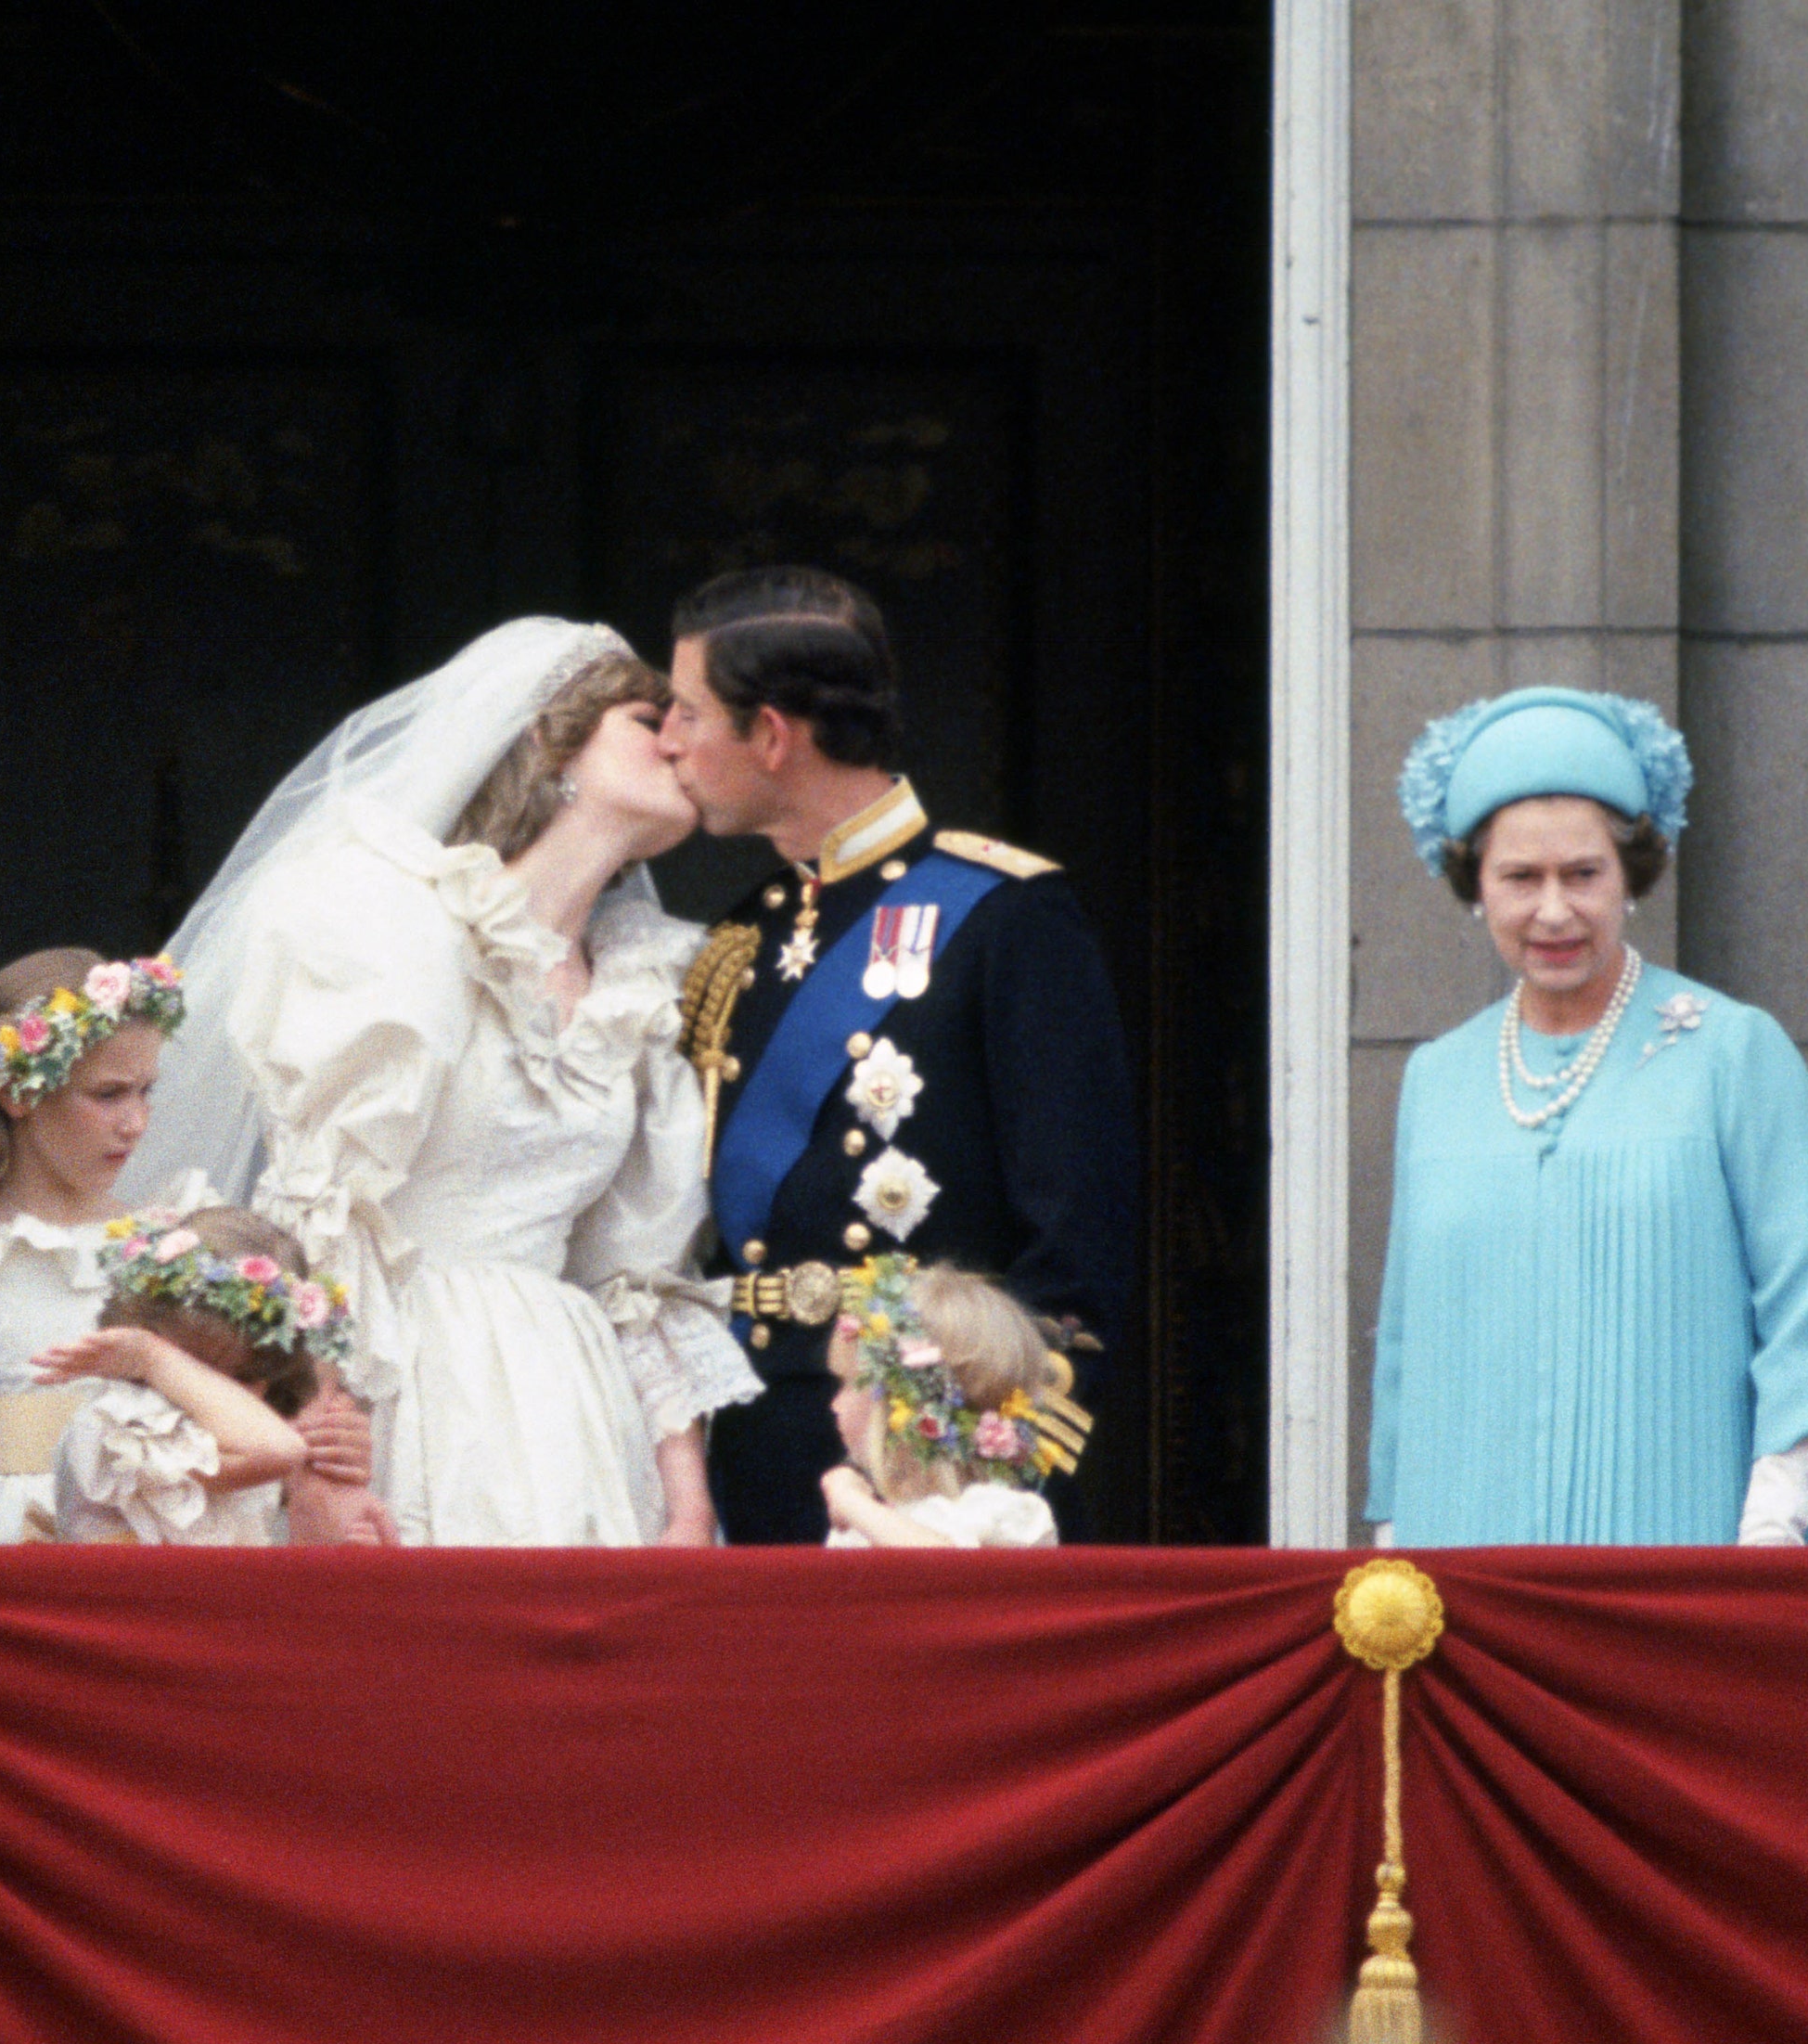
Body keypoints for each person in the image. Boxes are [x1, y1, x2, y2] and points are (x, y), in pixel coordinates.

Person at [131, 618, 757, 1546]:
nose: (680, 740)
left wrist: (688, 1500)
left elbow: (635, 1273)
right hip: (404, 1380)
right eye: (646, 716)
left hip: (572, 1404)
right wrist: (323, 1444)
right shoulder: (396, 922)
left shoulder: (647, 981)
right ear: (548, 740)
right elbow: (324, 1206)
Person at [659, 567, 1136, 1545]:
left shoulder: (1003, 915)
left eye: (688, 710)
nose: (669, 739)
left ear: (773, 735)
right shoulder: (742, 938)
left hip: (940, 1470)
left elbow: (1077, 1240)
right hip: (759, 1452)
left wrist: (980, 1464)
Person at [1366, 686, 1808, 1546]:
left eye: (1583, 874)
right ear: (1473, 884)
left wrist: (1774, 1518)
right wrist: (1397, 1538)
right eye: (1520, 877)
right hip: (1468, 1547)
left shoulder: (1734, 1051)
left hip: (1687, 1542)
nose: (1554, 911)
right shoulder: (1436, 1078)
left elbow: (1804, 1305)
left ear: (1632, 874)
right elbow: (1407, 1343)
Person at [0, 947, 380, 1543]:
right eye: (109, 1094)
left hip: (152, 1536)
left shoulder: (181, 1241)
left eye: (147, 1092)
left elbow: (251, 1403)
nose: (137, 1122)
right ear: (17, 1093)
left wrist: (314, 1431)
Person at [45, 1208, 324, 1546]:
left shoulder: (245, 1434)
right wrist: (151, 1358)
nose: (230, 1397)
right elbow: (280, 1451)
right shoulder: (127, 1429)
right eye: (200, 1372)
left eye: (248, 1377)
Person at [817, 1257, 1085, 1549]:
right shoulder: (867, 1520)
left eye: (847, 1384)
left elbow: (944, 1569)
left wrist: (852, 1501)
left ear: (906, 1404)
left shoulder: (1005, 1512)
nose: (834, 1404)